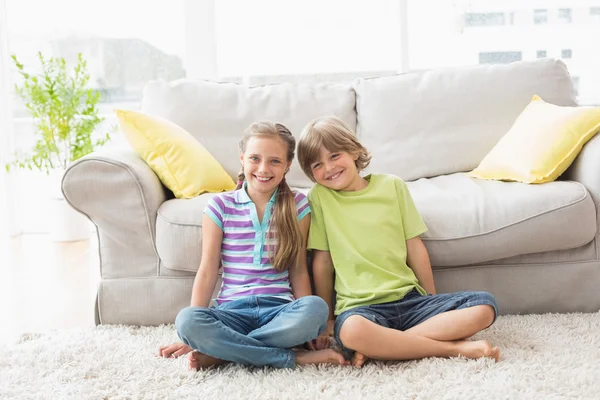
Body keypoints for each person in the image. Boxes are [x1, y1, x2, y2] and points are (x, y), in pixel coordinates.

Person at [297, 116, 500, 368]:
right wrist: (328, 318)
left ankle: (386, 346)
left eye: (335, 156)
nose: (328, 168)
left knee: (485, 306)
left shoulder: (392, 186)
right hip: (362, 310)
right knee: (351, 331)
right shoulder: (320, 197)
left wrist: (430, 300)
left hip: (410, 299)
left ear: (353, 151)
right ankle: (450, 348)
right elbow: (322, 261)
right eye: (317, 164)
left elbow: (414, 247)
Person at [159, 121, 346, 369]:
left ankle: (223, 353)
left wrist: (312, 330)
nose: (263, 169)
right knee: (187, 321)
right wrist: (189, 334)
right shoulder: (220, 206)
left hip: (279, 311)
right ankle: (292, 358)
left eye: (275, 161)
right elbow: (207, 270)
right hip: (231, 313)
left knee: (316, 310)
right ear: (242, 159)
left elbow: (299, 269)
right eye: (255, 159)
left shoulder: (298, 205)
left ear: (287, 165)